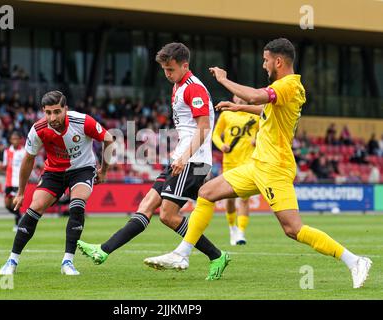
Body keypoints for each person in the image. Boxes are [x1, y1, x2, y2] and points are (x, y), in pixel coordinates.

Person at [144, 38, 372, 289]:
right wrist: (238, 108)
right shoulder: (287, 88)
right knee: (207, 193)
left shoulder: (287, 85)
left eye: (265, 60)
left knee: (293, 229)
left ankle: (354, 260)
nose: (263, 65)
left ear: (278, 61)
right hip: (258, 164)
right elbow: (266, 110)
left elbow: (254, 97)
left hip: (274, 167)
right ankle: (182, 253)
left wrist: (223, 79)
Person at [76, 42, 230, 280]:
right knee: (146, 205)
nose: (167, 74)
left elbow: (203, 128)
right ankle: (103, 250)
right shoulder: (179, 86)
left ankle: (216, 255)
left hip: (193, 160)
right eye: (164, 69)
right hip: (182, 157)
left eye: (170, 69)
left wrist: (184, 157)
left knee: (168, 215)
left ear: (184, 65)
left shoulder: (193, 88)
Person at [0, 90, 114, 276]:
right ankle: (12, 260)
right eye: (48, 112)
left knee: (77, 205)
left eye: (57, 111)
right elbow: (28, 160)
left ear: (65, 109)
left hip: (82, 170)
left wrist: (104, 170)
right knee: (34, 208)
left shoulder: (83, 121)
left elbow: (109, 139)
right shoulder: (38, 129)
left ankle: (68, 262)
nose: (53, 117)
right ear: (44, 111)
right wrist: (20, 192)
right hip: (53, 172)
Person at [212, 94, 259, 245]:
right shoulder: (226, 114)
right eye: (237, 97)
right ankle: (232, 228)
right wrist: (221, 146)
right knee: (230, 199)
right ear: (233, 98)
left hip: (247, 162)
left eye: (242, 97)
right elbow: (215, 135)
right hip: (230, 162)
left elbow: (265, 131)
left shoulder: (255, 115)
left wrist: (258, 139)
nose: (239, 99)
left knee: (244, 199)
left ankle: (241, 232)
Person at [0, 131, 27, 231]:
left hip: (17, 182)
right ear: (10, 140)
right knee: (7, 205)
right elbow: (6, 165)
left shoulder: (23, 152)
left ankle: (17, 224)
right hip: (8, 182)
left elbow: (27, 166)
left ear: (19, 140)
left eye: (16, 139)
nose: (14, 141)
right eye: (12, 139)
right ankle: (21, 217)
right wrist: (1, 167)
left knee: (15, 204)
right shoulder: (7, 151)